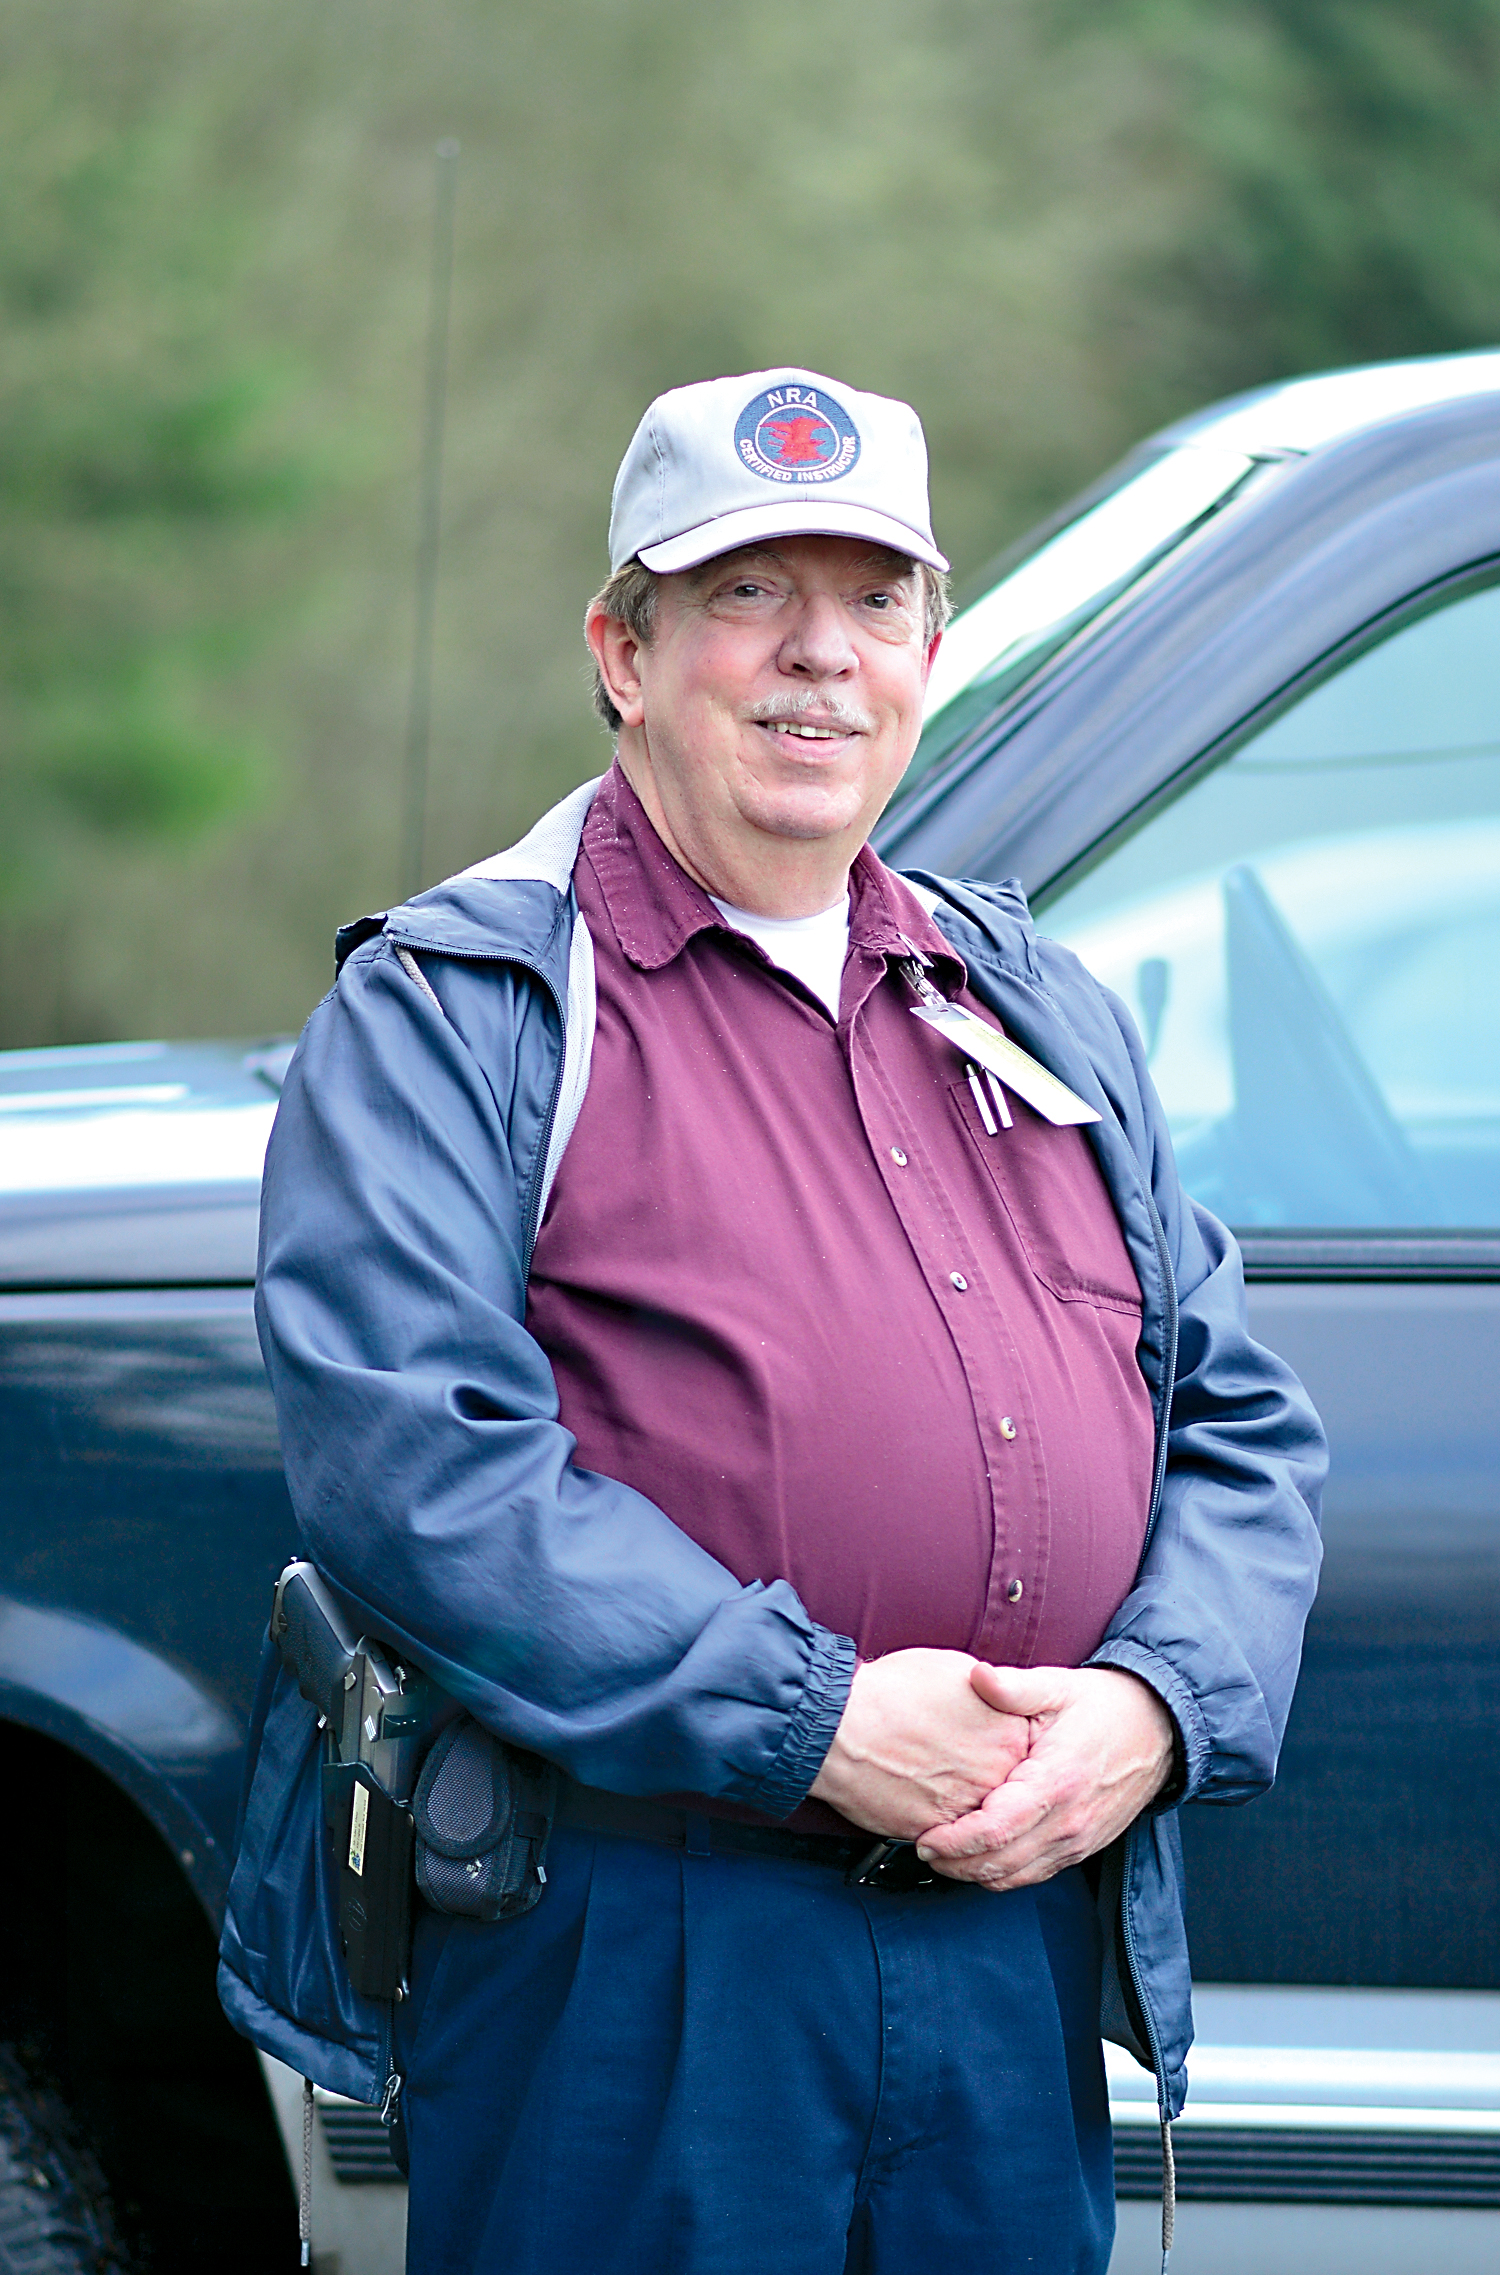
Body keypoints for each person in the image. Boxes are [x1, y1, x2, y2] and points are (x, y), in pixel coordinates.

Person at [220, 367, 1325, 2275]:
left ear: (930, 648)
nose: (821, 658)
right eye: (748, 595)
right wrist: (809, 1721)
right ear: (623, 651)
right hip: (644, 1956)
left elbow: (1237, 1420)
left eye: (872, 600)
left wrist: (1156, 1708)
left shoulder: (1035, 1003)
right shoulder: (461, 1008)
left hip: (1009, 1949)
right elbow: (419, 1471)